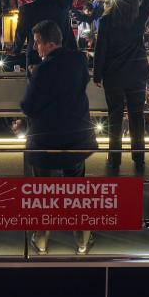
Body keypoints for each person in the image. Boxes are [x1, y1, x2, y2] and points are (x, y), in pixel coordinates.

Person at [20, 19, 97, 255]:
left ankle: (42, 238)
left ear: (50, 44)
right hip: (76, 137)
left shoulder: (42, 70)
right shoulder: (79, 60)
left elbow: (28, 106)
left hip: (46, 142)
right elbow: (82, 84)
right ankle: (82, 238)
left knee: (44, 191)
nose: (35, 48)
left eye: (37, 43)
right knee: (76, 191)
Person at [92, 0, 149, 169]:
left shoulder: (106, 20)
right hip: (136, 75)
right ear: (135, 1)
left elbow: (100, 49)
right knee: (137, 116)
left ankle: (114, 158)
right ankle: (139, 157)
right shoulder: (139, 17)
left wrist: (97, 75)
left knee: (115, 116)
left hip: (113, 76)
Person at [12, 0, 81, 67]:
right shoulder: (61, 5)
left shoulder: (26, 10)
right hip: (59, 59)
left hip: (34, 59)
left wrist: (15, 50)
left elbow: (20, 35)